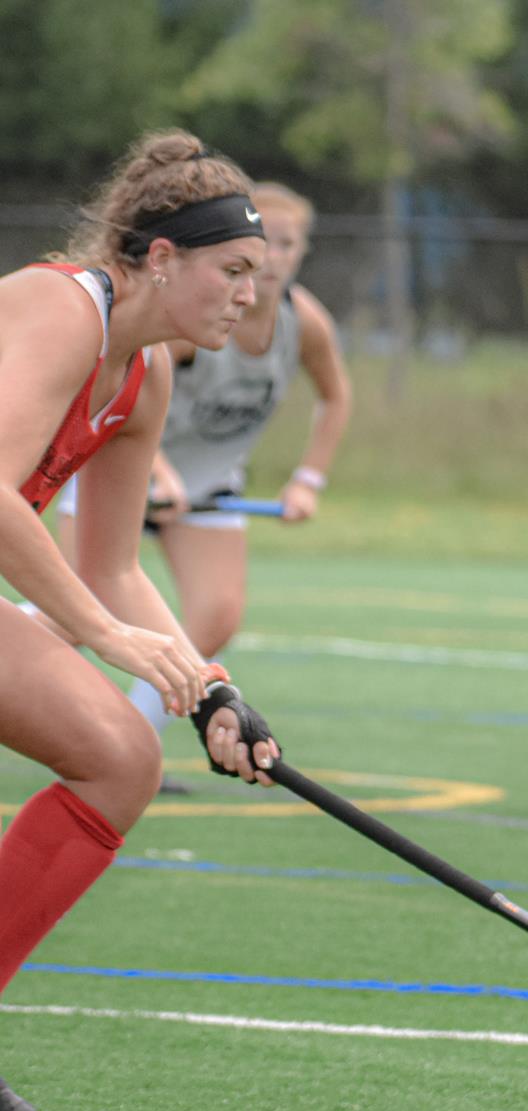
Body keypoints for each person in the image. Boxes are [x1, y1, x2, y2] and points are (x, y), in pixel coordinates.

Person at [0, 130, 283, 1111]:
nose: (251, 294)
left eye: (258, 274)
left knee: (119, 758)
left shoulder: (145, 373)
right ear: (160, 259)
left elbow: (111, 562)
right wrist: (104, 640)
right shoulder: (57, 307)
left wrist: (210, 690)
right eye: (234, 270)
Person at [51, 182, 350, 786]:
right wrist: (156, 471)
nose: (265, 270)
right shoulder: (182, 326)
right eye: (238, 262)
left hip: (210, 486)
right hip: (122, 467)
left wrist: (308, 481)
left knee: (213, 618)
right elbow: (134, 396)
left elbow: (336, 396)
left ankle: (134, 745)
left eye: (284, 248)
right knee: (70, 613)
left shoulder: (303, 322)